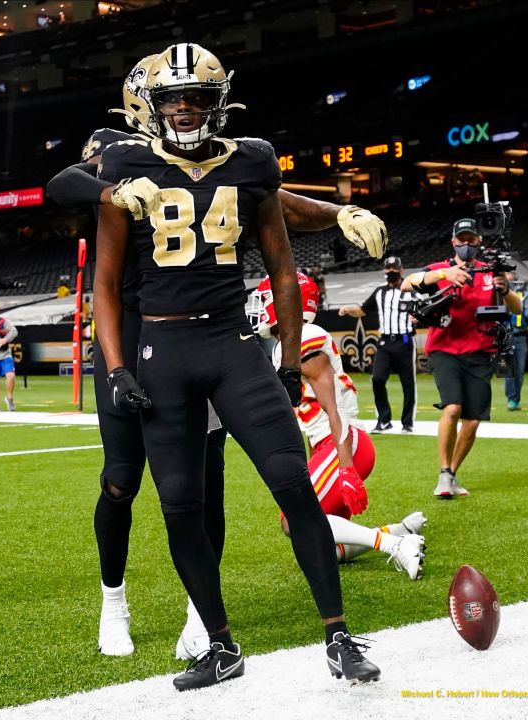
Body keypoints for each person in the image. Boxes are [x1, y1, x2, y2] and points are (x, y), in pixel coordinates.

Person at [45, 53, 390, 662]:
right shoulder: (121, 157)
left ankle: (202, 620)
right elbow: (62, 186)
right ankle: (115, 601)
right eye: (170, 96)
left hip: (213, 333)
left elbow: (271, 205)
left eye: (197, 96)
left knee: (209, 481)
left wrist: (341, 212)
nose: (184, 107)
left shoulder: (239, 160)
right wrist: (114, 188)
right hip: (137, 334)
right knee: (125, 480)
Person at [249, 273, 427, 579]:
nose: (262, 305)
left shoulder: (303, 336)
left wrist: (344, 467)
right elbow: (311, 416)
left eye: (267, 298)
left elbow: (335, 409)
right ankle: (400, 531)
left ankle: (395, 545)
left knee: (294, 521)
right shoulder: (290, 343)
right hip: (331, 446)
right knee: (318, 548)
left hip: (344, 445)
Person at [401, 218, 521, 498]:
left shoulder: (490, 272)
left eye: (471, 240)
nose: (466, 245)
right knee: (452, 407)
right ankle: (443, 474)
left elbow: (516, 307)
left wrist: (504, 289)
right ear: (453, 242)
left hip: (480, 349)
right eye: (461, 240)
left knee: (473, 420)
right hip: (444, 348)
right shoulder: (441, 269)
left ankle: (452, 474)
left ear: (479, 241)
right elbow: (408, 283)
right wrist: (444, 275)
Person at [337, 255, 419, 433]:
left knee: (408, 383)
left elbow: (424, 309)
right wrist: (348, 309)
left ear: (401, 271)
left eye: (394, 269)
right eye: (388, 269)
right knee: (377, 378)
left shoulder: (411, 291)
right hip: (384, 342)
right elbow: (362, 310)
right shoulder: (379, 292)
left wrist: (418, 318)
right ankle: (383, 420)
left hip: (404, 340)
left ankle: (407, 423)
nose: (391, 272)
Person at [504, 272, 528, 411]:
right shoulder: (500, 295)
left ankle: (516, 399)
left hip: (522, 336)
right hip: (507, 336)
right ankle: (511, 399)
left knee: (520, 371)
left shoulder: (523, 294)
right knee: (510, 370)